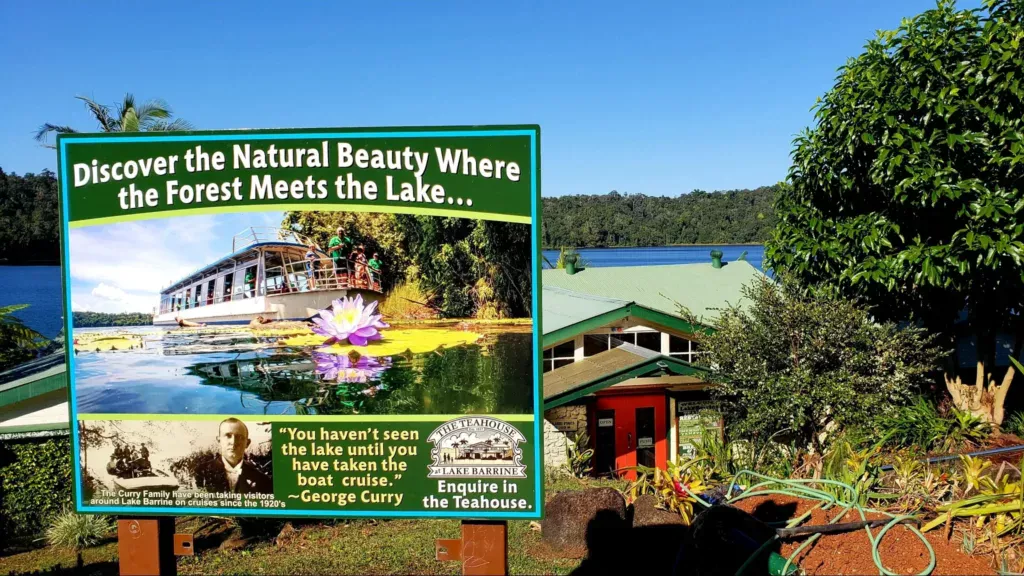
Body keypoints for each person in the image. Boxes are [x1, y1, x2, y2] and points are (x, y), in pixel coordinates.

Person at [193, 418, 273, 494]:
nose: (233, 442)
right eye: (228, 436)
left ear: (247, 443)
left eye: (240, 437)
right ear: (219, 440)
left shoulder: (262, 479)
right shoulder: (200, 472)